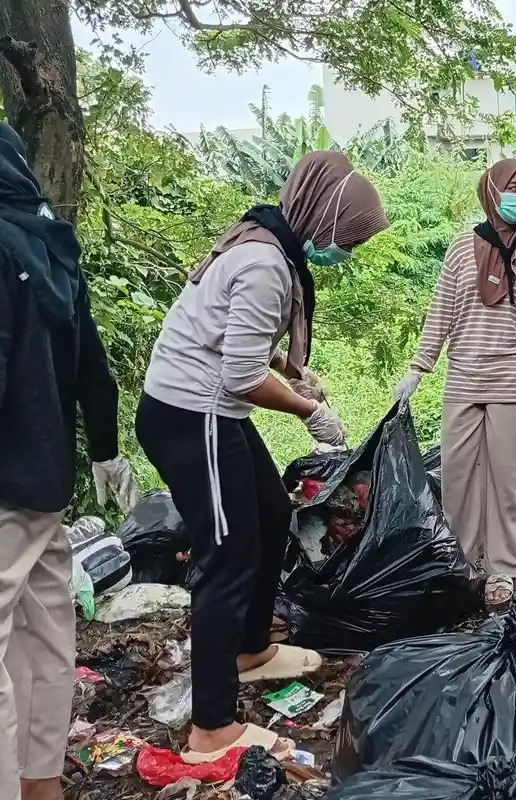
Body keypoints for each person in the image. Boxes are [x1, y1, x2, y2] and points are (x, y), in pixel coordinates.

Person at [137, 151, 388, 762]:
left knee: (273, 513)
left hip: (211, 410)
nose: (344, 251)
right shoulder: (264, 263)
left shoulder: (266, 241)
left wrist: (294, 374)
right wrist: (309, 412)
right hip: (191, 415)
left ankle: (250, 650)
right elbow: (240, 377)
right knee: (226, 556)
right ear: (322, 215)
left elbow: (238, 338)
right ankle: (212, 726)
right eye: (346, 237)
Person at [0, 123, 139, 800]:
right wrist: (106, 454)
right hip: (46, 484)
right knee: (47, 632)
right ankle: (41, 782)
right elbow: (94, 371)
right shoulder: (53, 242)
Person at [393, 158, 516, 610]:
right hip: (464, 379)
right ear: (492, 191)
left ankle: (502, 569)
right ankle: (463, 563)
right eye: (514, 186)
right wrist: (418, 368)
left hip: (515, 382)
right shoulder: (461, 249)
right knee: (458, 479)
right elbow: (441, 313)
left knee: (508, 482)